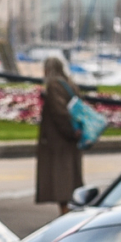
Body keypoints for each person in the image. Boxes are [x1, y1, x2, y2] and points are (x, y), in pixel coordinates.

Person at [36, 53, 85, 207]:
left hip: (59, 142)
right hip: (71, 141)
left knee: (61, 180)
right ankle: (68, 208)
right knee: (71, 178)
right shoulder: (70, 84)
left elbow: (60, 113)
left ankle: (65, 211)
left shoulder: (54, 86)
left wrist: (70, 131)